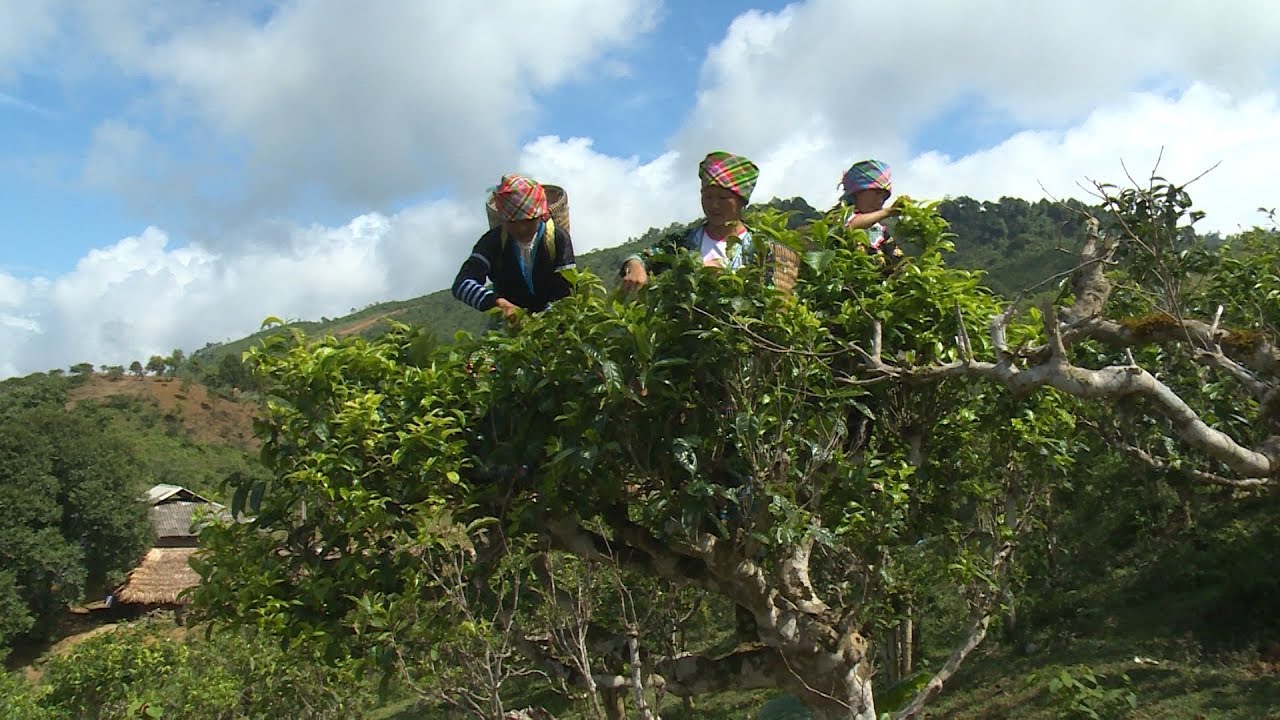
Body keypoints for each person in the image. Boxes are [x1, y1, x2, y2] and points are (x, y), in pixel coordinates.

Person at [619, 151, 760, 291]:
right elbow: (644, 256)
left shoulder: (761, 248)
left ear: (742, 201)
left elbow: (777, 303)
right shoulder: (684, 242)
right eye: (708, 197)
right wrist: (635, 265)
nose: (714, 205)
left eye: (723, 198)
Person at [453, 174, 576, 323]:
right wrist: (498, 303)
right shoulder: (493, 241)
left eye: (528, 221)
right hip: (508, 328)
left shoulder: (557, 238)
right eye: (513, 222)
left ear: (541, 216)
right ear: (503, 220)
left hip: (555, 324)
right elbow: (462, 284)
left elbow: (566, 289)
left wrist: (542, 322)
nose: (521, 228)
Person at [838, 159, 904, 260]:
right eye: (877, 194)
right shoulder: (840, 216)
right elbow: (848, 226)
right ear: (857, 192)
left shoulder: (880, 230)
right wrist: (888, 212)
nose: (880, 201)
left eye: (884, 197)